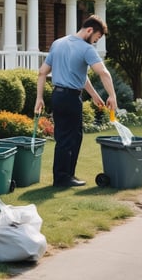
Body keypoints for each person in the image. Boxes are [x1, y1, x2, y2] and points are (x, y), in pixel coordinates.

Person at [34, 15, 117, 188]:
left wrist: (39, 98)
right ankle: (62, 178)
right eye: (97, 38)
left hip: (58, 96)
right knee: (68, 138)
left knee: (70, 136)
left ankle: (66, 175)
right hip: (71, 98)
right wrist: (112, 95)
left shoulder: (58, 43)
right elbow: (103, 72)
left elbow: (43, 72)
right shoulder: (86, 49)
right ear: (89, 30)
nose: (95, 42)